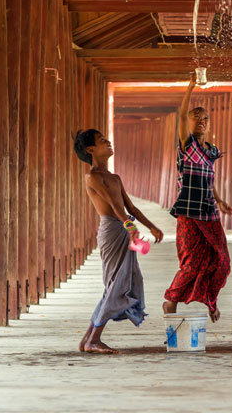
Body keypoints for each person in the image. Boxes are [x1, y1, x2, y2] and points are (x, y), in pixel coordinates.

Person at [73, 129, 164, 354]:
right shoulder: (93, 177)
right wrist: (131, 227)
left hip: (123, 228)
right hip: (112, 231)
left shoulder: (115, 177)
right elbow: (113, 206)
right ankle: (94, 339)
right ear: (91, 150)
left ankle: (88, 339)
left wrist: (150, 225)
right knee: (117, 283)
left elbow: (130, 207)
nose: (108, 141)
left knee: (116, 283)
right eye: (102, 140)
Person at [163, 75, 232, 323]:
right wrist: (191, 86)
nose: (202, 122)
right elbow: (182, 117)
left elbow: (208, 181)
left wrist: (220, 200)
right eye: (197, 118)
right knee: (192, 264)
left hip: (210, 212)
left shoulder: (211, 151)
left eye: (205, 120)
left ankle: (209, 299)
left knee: (221, 261)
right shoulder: (187, 145)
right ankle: (171, 300)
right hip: (189, 212)